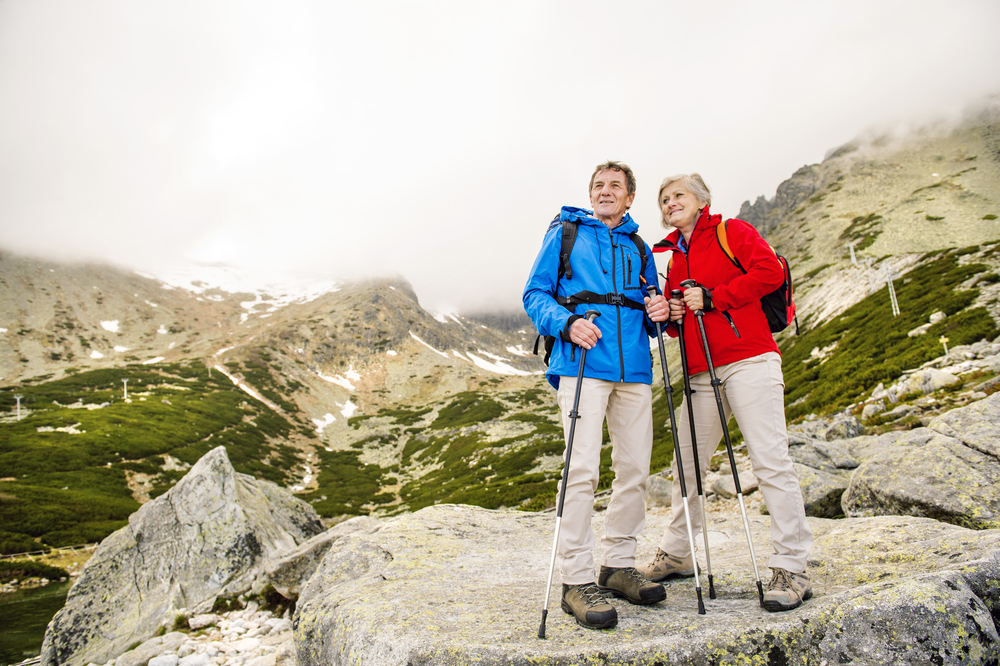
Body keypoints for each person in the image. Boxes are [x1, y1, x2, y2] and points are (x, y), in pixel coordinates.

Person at [638, 173, 814, 612]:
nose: (670, 202)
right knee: (687, 466)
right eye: (664, 199)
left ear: (701, 200)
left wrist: (714, 298)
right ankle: (678, 552)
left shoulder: (731, 231)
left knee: (770, 461)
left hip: (750, 360)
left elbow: (770, 272)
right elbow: (684, 324)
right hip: (701, 373)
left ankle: (792, 566)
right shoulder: (672, 260)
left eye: (678, 195)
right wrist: (676, 314)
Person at [523, 161, 670, 630]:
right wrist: (567, 323)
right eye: (598, 186)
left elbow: (651, 313)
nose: (605, 192)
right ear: (592, 195)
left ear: (629, 198)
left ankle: (618, 566)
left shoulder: (639, 246)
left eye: (615, 187)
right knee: (582, 470)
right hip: (582, 365)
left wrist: (659, 308)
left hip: (635, 371)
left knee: (635, 470)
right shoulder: (567, 233)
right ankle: (576, 580)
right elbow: (534, 294)